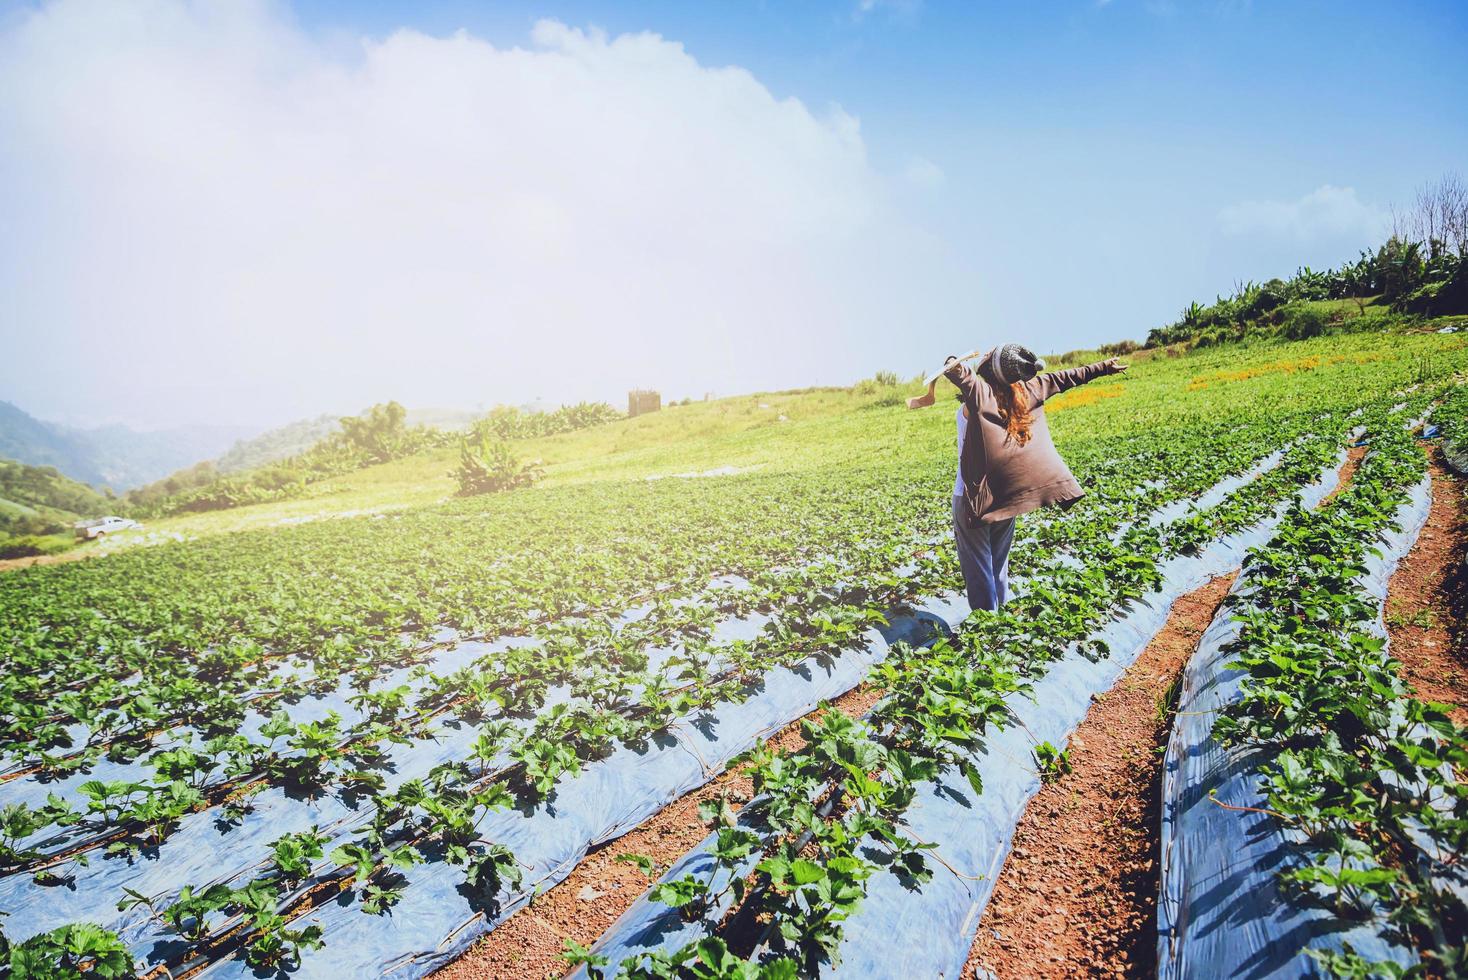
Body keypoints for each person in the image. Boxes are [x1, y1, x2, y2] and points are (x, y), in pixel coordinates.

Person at [917, 344, 1126, 611]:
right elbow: (1068, 377)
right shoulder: (1029, 392)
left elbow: (956, 370)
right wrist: (1104, 367)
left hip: (973, 500)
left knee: (979, 570)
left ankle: (988, 624)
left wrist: (953, 359)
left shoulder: (979, 395)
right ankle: (1003, 619)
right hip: (1007, 498)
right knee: (998, 566)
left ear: (991, 370)